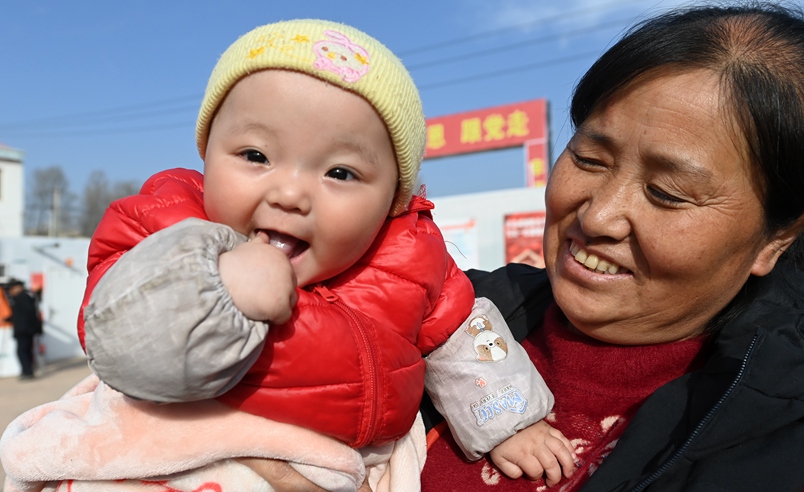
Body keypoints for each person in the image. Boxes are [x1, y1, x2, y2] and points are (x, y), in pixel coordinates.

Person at [226, 2, 804, 490]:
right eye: (589, 158)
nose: (598, 215)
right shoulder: (443, 311)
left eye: (668, 193)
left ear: (781, 232)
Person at [0, 18, 558, 492]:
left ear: (394, 199)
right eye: (255, 155)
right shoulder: (167, 224)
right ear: (206, 155)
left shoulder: (412, 258)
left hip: (329, 463)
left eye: (340, 172)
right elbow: (118, 334)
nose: (289, 193)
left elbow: (465, 339)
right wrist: (217, 288)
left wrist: (510, 421)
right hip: (158, 450)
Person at [5, 279, 42, 381]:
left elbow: (27, 313)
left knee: (22, 352)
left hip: (24, 330)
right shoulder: (24, 297)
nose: (10, 292)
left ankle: (27, 372)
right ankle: (27, 371)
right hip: (26, 329)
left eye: (11, 289)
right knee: (26, 351)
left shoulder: (22, 297)